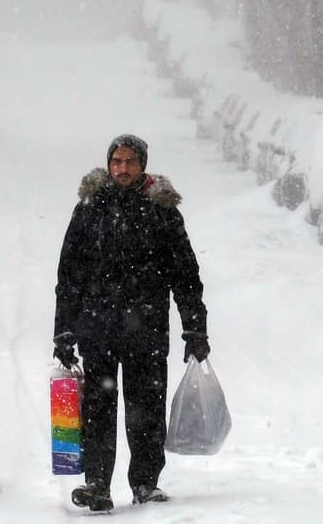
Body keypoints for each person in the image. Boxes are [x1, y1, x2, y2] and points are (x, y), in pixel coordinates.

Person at [53, 134, 210, 512]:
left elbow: (185, 273)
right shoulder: (90, 208)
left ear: (143, 165)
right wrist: (64, 330)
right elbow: (70, 273)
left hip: (147, 331)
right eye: (116, 162)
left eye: (130, 162)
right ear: (108, 165)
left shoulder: (162, 210)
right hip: (98, 328)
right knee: (97, 410)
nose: (122, 168)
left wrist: (195, 326)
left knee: (146, 409)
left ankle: (144, 482)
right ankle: (97, 485)